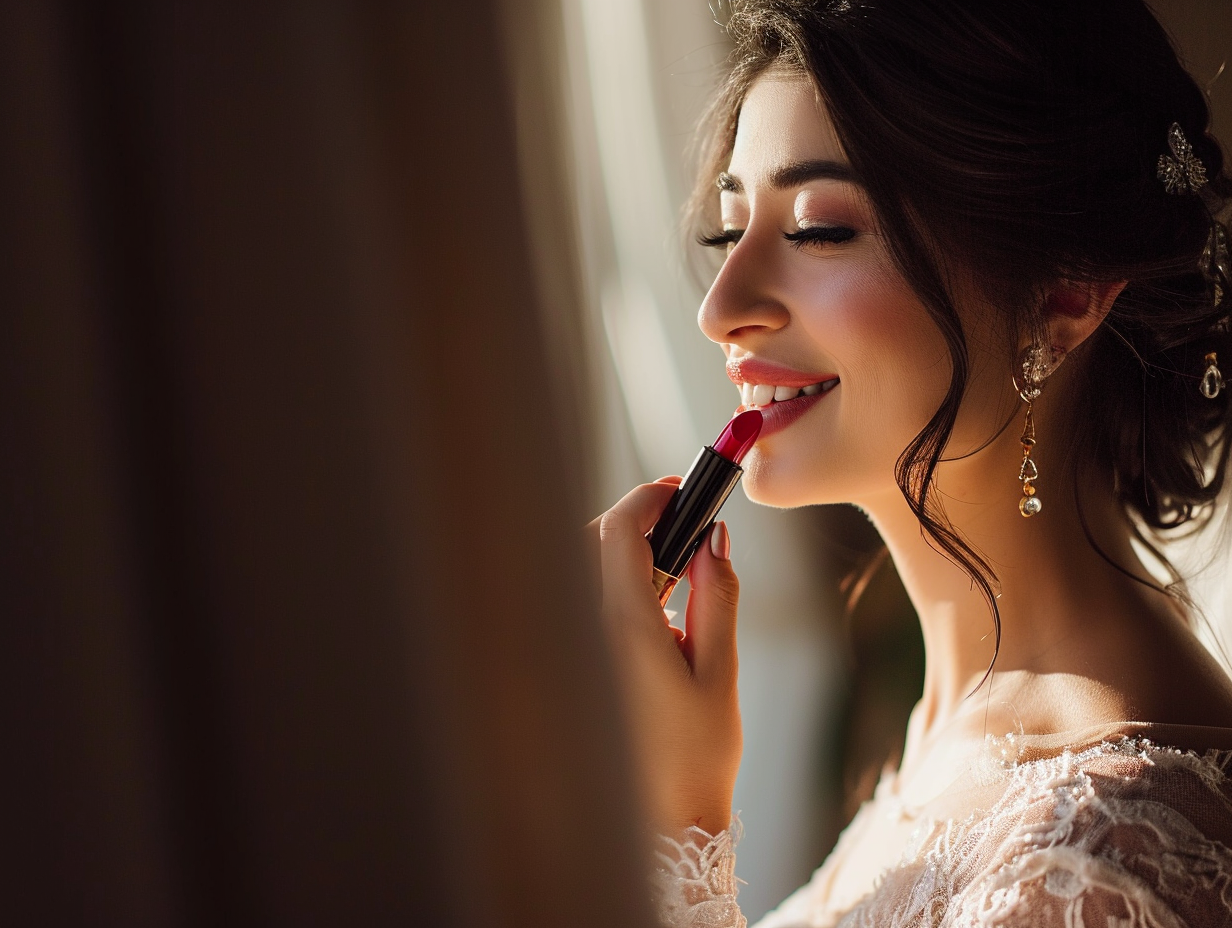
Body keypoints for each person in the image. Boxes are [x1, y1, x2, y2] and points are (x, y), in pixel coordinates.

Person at [591, 1, 1232, 925]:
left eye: (818, 230)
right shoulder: (943, 736)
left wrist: (680, 820)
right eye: (732, 232)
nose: (721, 308)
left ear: (1066, 287)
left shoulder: (1102, 864)